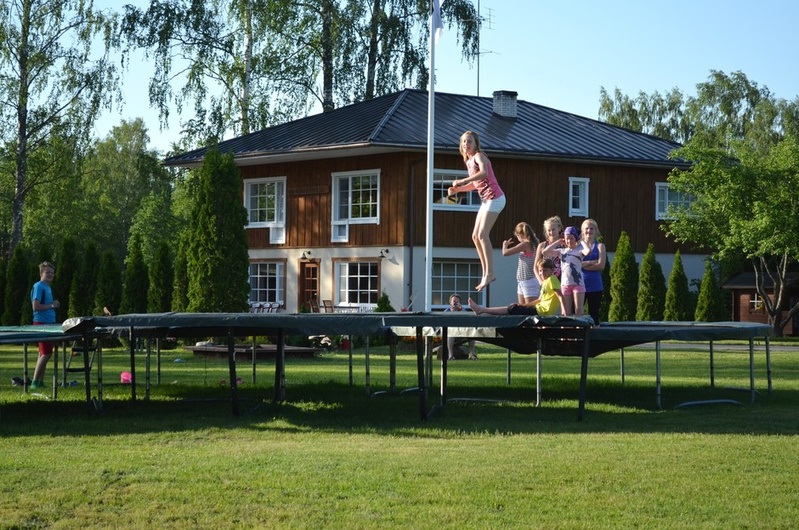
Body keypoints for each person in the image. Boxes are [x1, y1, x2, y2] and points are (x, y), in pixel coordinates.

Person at [448, 130, 506, 291]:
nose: (466, 144)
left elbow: (484, 173)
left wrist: (462, 180)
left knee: (482, 235)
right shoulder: (469, 162)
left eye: (469, 141)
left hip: (495, 198)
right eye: (464, 142)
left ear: (475, 144)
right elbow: (475, 184)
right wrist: (458, 190)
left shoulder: (479, 156)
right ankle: (486, 272)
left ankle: (490, 273)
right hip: (486, 200)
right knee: (475, 236)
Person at [468, 258, 563, 317]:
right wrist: (523, 305)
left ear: (552, 270)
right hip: (540, 310)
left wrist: (564, 313)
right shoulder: (546, 282)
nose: (542, 273)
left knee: (512, 309)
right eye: (540, 271)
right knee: (515, 307)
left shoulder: (552, 279)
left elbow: (560, 296)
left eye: (545, 270)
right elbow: (540, 300)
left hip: (543, 312)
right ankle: (482, 309)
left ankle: (481, 310)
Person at [543, 226, 590, 316]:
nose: (569, 241)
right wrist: (558, 242)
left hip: (578, 284)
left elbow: (588, 251)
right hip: (565, 284)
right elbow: (545, 252)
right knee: (565, 312)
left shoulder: (579, 251)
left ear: (575, 239)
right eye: (567, 239)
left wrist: (581, 241)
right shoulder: (562, 251)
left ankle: (579, 325)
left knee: (578, 310)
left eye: (571, 238)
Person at [30, 261, 60, 390]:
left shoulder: (47, 287)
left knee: (42, 353)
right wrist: (52, 305)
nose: (50, 274)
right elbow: (35, 306)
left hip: (49, 323)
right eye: (47, 272)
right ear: (41, 273)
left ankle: (40, 382)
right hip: (42, 323)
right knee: (46, 353)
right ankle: (34, 383)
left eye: (52, 272)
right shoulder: (38, 286)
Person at [502, 222, 540, 304]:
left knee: (529, 308)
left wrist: (504, 245)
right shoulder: (534, 242)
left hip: (529, 280)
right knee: (522, 308)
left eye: (517, 236)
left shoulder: (525, 244)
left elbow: (505, 253)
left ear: (520, 235)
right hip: (522, 280)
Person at [581, 219, 607, 326]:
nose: (589, 231)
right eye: (586, 228)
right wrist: (591, 262)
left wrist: (583, 265)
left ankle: (595, 335)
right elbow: (576, 264)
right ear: (583, 231)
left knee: (594, 316)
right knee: (577, 315)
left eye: (592, 228)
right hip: (580, 285)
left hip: (595, 286)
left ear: (596, 231)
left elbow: (601, 265)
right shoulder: (578, 246)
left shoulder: (600, 246)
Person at [443, 293, 477, 360]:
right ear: (450, 302)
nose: (455, 303)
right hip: (451, 333)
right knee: (451, 334)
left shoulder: (463, 310)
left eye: (457, 301)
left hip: (462, 332)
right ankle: (450, 355)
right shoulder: (446, 311)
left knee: (472, 334)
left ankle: (472, 354)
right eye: (454, 301)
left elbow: (468, 320)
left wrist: (461, 309)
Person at [534, 215, 563, 284]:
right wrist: (540, 281)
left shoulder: (564, 244)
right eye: (549, 230)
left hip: (561, 281)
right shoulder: (542, 245)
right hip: (546, 281)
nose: (551, 232)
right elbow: (535, 267)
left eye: (553, 229)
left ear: (559, 228)